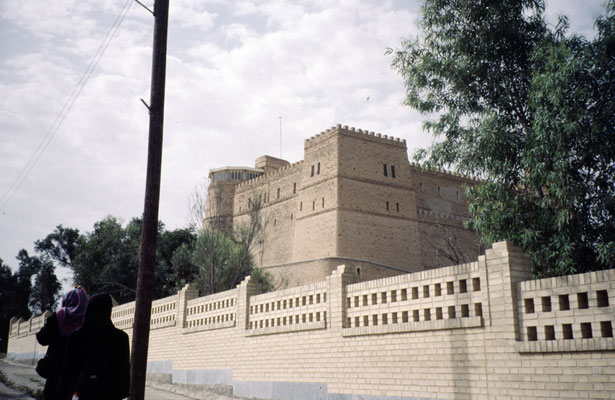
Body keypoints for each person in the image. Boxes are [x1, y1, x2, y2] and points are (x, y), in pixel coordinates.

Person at [65, 293, 130, 400]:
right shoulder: (120, 338)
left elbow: (68, 372)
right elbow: (123, 374)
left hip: (84, 393)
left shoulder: (77, 337)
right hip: (110, 394)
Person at [36, 286, 88, 400]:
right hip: (77, 374)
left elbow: (41, 338)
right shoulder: (87, 320)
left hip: (55, 371)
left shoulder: (58, 316)